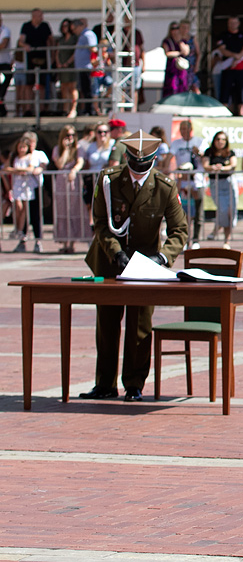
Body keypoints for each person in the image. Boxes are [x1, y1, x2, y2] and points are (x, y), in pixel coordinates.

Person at [80, 131, 188, 402]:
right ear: (127, 158)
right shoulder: (109, 180)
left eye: (144, 166)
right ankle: (104, 384)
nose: (138, 171)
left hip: (144, 264)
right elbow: (101, 223)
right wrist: (115, 253)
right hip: (108, 261)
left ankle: (134, 385)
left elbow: (179, 231)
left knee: (140, 324)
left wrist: (162, 258)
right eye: (133, 165)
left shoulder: (164, 186)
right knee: (106, 323)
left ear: (153, 160)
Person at [169, 119, 206, 249]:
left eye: (186, 129)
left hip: (197, 181)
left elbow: (205, 159)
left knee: (197, 211)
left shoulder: (199, 141)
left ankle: (196, 239)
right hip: (183, 182)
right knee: (183, 213)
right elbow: (170, 157)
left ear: (191, 130)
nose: (184, 132)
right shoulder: (176, 143)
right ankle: (184, 239)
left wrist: (198, 153)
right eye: (182, 129)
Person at [52, 125, 87, 254]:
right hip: (61, 181)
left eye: (72, 135)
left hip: (73, 181)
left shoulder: (78, 148)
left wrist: (74, 170)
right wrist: (65, 149)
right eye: (67, 135)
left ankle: (72, 242)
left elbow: (80, 162)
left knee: (73, 209)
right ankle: (65, 241)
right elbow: (60, 164)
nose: (70, 138)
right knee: (62, 210)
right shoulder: (57, 149)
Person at [202, 131, 236, 249]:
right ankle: (216, 230)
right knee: (223, 210)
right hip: (215, 183)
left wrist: (222, 168)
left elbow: (233, 165)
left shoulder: (229, 152)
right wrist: (213, 167)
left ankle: (227, 240)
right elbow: (205, 165)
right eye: (218, 139)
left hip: (228, 182)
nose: (220, 142)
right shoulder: (209, 152)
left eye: (223, 139)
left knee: (231, 211)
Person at [18, 9, 54, 114]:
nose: (41, 18)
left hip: (43, 59)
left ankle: (41, 109)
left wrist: (51, 55)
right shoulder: (26, 26)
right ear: (34, 16)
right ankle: (28, 109)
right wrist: (25, 46)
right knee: (29, 85)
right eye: (39, 16)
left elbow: (51, 40)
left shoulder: (45, 26)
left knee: (42, 84)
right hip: (30, 59)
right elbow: (21, 41)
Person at [216, 16, 243, 116]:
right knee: (226, 88)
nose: (233, 25)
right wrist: (234, 56)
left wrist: (238, 57)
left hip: (240, 66)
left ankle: (241, 111)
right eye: (231, 23)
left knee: (241, 88)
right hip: (227, 66)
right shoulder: (224, 35)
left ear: (238, 23)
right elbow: (222, 50)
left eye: (235, 23)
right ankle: (224, 110)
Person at [70, 18, 99, 116]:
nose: (74, 31)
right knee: (84, 89)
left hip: (87, 67)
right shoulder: (83, 35)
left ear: (80, 26)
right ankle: (86, 109)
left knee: (88, 89)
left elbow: (93, 49)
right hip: (82, 67)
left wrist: (94, 62)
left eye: (75, 29)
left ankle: (89, 110)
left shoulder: (88, 35)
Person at [53, 18, 78, 117]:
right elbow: (57, 52)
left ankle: (73, 109)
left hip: (71, 66)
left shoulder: (74, 38)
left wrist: (68, 62)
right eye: (63, 26)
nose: (65, 28)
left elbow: (75, 52)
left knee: (72, 87)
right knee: (64, 87)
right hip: (62, 66)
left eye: (67, 26)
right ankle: (65, 108)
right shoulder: (61, 40)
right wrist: (58, 63)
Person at [161, 21, 190, 99]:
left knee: (182, 86)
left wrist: (179, 41)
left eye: (177, 28)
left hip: (181, 69)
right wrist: (178, 53)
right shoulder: (167, 41)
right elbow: (167, 53)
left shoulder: (182, 41)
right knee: (172, 86)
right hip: (172, 68)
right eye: (173, 29)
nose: (175, 31)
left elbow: (186, 52)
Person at [177, 19, 200, 94]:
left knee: (195, 86)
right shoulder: (177, 39)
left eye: (187, 28)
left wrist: (197, 65)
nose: (185, 30)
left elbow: (198, 53)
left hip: (191, 66)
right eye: (183, 27)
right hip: (180, 66)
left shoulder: (192, 39)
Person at [0, 13, 12, 117]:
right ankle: (2, 110)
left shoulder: (5, 30)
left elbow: (3, 44)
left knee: (2, 91)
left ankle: (2, 111)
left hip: (4, 64)